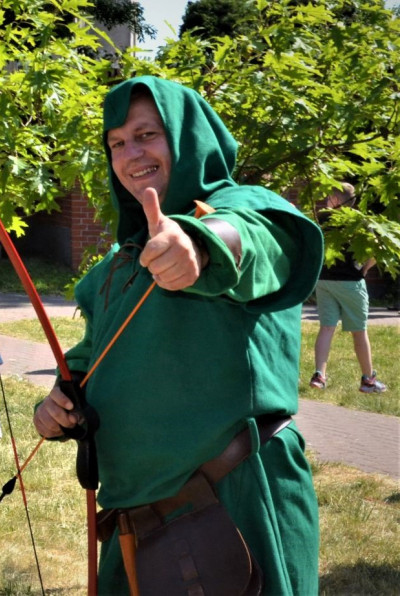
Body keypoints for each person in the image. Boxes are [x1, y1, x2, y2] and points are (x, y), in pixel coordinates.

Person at [33, 76, 323, 595]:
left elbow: (249, 243)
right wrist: (57, 404)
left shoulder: (249, 207)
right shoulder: (121, 264)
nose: (130, 153)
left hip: (234, 510)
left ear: (187, 136)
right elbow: (91, 360)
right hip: (135, 528)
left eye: (147, 134)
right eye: (117, 142)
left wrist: (200, 247)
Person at [310, 183, 388, 393]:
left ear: (336, 200)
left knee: (326, 328)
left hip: (324, 281)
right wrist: (364, 270)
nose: (326, 200)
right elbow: (375, 250)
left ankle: (320, 376)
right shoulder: (361, 223)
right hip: (350, 282)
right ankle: (368, 381)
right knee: (359, 331)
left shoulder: (322, 221)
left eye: (329, 196)